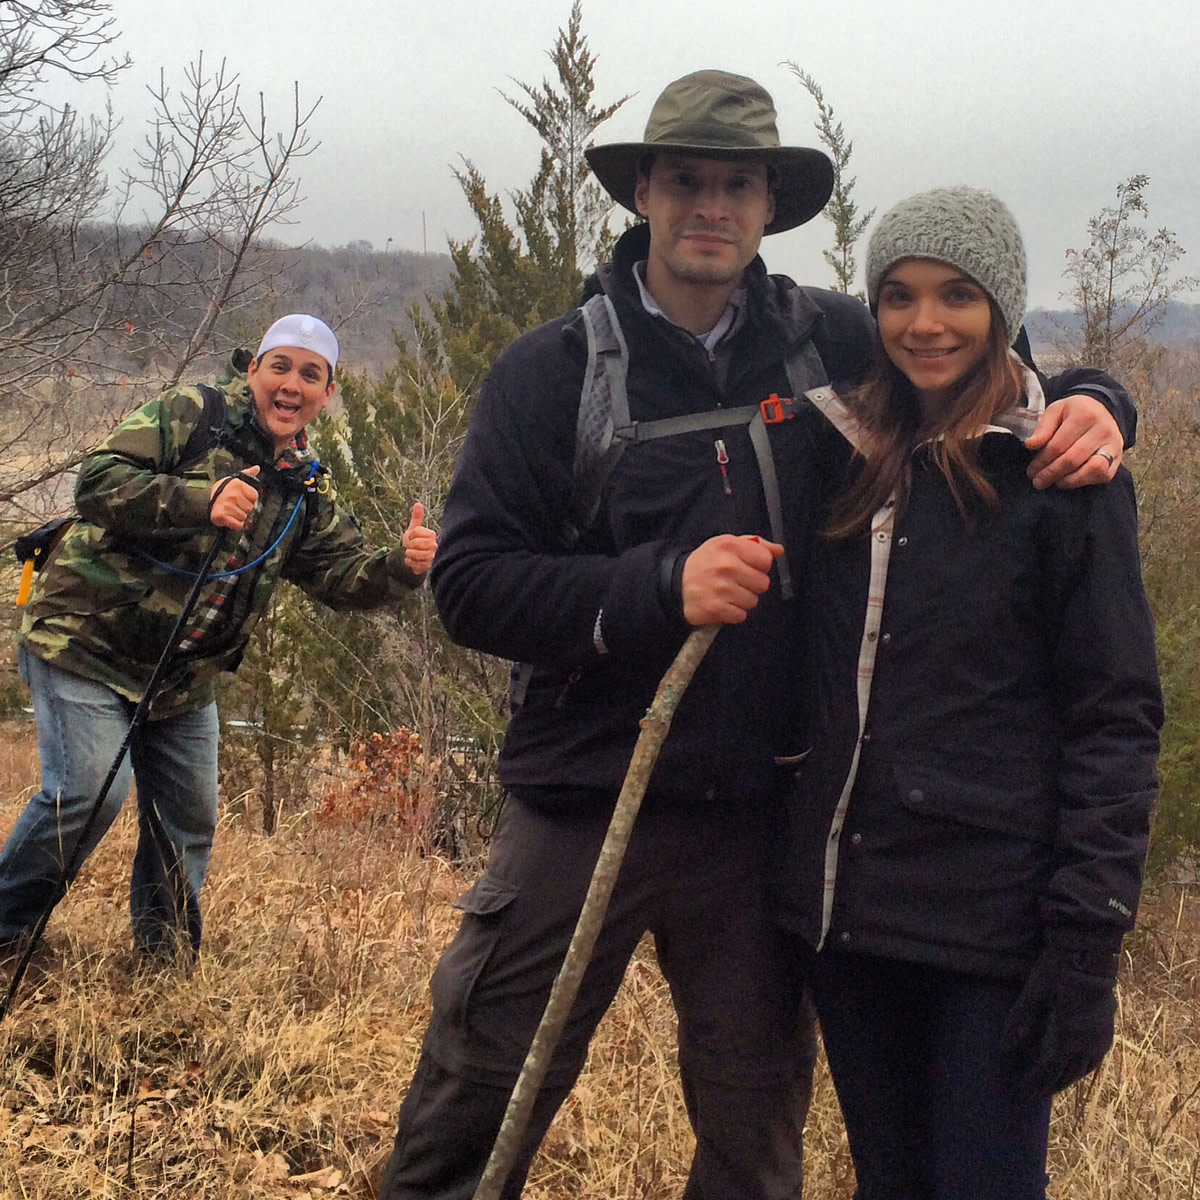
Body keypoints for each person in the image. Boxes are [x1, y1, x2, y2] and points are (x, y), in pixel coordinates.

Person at [378, 73, 1134, 1200]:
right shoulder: (554, 371)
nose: (712, 207)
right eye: (687, 180)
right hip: (585, 799)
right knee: (481, 1093)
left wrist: (1098, 397)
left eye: (739, 184)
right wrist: (658, 588)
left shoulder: (832, 341)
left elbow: (978, 361)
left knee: (753, 1137)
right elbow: (475, 586)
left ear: (771, 205)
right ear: (644, 190)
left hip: (758, 822)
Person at [773, 188, 1163, 1199]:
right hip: (851, 922)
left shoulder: (1064, 477)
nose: (925, 322)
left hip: (991, 930)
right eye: (898, 296)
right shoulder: (839, 454)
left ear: (1003, 306)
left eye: (958, 294)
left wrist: (1087, 942)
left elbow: (1114, 717)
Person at [0, 313, 438, 962]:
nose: (292, 385)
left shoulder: (302, 487)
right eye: (280, 367)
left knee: (186, 821)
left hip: (182, 681)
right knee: (88, 794)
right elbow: (97, 484)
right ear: (255, 370)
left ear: (328, 392)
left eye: (310, 375)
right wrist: (198, 502)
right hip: (83, 643)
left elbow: (339, 577)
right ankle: (6, 931)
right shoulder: (190, 414)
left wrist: (401, 566)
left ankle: (164, 967)